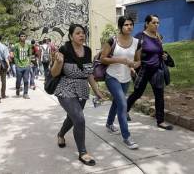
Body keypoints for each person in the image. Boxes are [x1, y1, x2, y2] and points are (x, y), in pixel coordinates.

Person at [51, 24, 104, 166]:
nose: (82, 35)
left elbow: (89, 73)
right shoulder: (64, 49)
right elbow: (54, 73)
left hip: (82, 90)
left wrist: (97, 91)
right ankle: (83, 152)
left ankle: (61, 135)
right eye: (78, 33)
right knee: (79, 119)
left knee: (72, 117)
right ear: (70, 36)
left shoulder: (87, 50)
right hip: (65, 88)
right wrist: (58, 61)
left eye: (83, 33)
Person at [100, 16, 141, 149]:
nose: (129, 27)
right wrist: (121, 60)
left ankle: (109, 123)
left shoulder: (137, 42)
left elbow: (138, 61)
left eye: (131, 24)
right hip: (112, 77)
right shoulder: (112, 40)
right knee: (123, 104)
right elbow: (103, 59)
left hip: (126, 78)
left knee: (117, 102)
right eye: (126, 24)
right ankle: (127, 137)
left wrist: (133, 66)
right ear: (120, 26)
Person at [127, 14, 174, 130]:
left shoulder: (158, 36)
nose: (156, 25)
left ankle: (160, 121)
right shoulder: (140, 37)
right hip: (144, 69)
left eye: (158, 23)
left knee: (159, 95)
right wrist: (132, 67)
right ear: (147, 23)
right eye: (154, 22)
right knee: (138, 93)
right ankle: (124, 110)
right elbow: (132, 53)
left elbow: (159, 51)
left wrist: (163, 56)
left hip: (157, 69)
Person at [13, 31, 32, 99]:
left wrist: (29, 63)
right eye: (21, 36)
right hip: (19, 66)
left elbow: (30, 54)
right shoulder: (16, 45)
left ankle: (25, 93)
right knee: (18, 80)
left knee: (26, 80)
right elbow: (15, 56)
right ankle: (18, 88)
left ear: (26, 37)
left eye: (24, 36)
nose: (23, 37)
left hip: (26, 65)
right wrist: (16, 64)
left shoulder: (28, 45)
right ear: (19, 37)